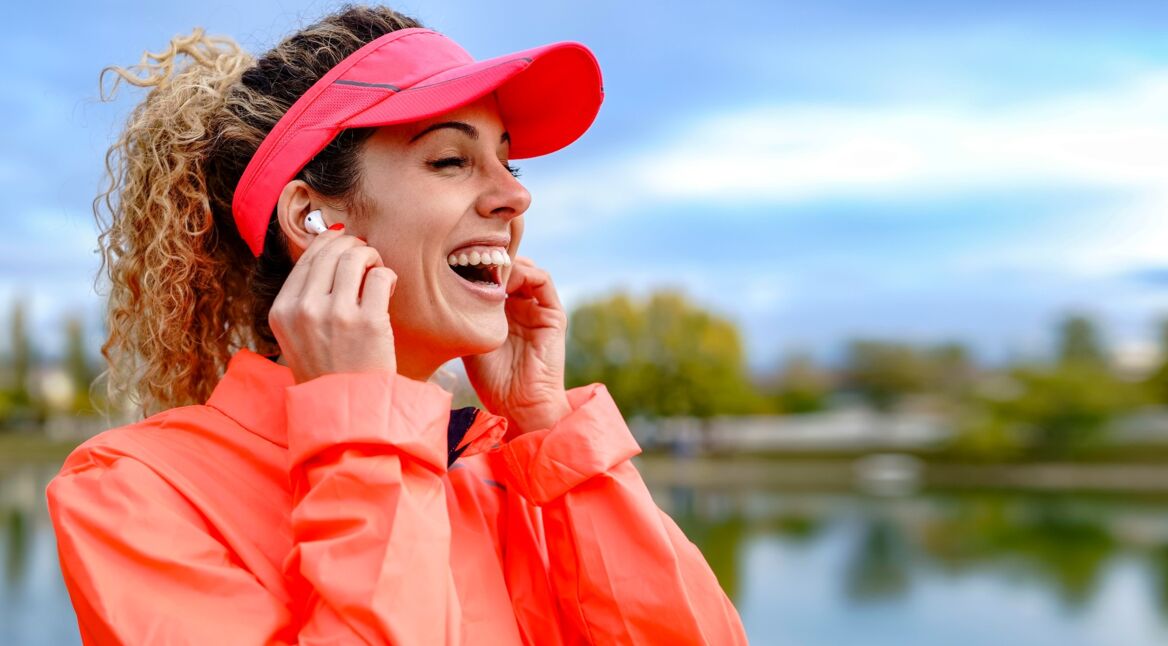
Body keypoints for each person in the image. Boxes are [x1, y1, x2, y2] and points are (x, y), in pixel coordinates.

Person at [46, 5, 749, 644]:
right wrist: (359, 427)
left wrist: (552, 437)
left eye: (507, 159)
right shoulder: (134, 492)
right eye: (451, 160)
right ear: (313, 220)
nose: (514, 194)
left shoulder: (512, 476)